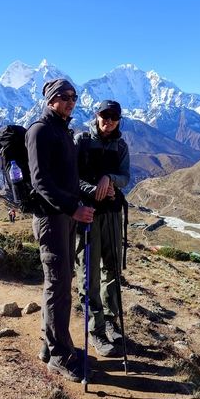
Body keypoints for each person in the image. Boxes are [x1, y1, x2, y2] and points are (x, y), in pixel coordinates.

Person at [26, 78, 94, 383]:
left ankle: (50, 345)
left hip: (64, 217)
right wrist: (72, 208)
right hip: (51, 219)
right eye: (64, 96)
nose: (70, 101)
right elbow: (40, 183)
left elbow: (65, 178)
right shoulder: (40, 130)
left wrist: (78, 204)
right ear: (51, 99)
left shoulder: (62, 130)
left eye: (74, 96)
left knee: (60, 283)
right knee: (58, 285)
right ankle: (59, 357)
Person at [74, 100, 130, 357]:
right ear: (96, 116)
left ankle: (110, 319)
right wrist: (93, 189)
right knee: (89, 273)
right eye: (104, 115)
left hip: (112, 214)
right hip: (86, 215)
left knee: (112, 268)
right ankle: (95, 331)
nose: (108, 120)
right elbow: (70, 175)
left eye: (113, 116)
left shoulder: (121, 146)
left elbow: (125, 176)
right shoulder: (81, 141)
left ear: (119, 119)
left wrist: (109, 180)